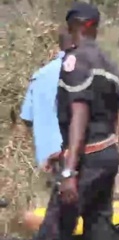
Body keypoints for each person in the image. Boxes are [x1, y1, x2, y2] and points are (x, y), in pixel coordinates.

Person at [1, 2, 119, 240]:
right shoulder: (111, 66)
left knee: (53, 234)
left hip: (86, 161)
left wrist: (70, 169)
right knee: (101, 237)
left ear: (76, 26)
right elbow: (110, 122)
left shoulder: (75, 62)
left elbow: (79, 115)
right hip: (106, 157)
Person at [20, 28, 72, 169]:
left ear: (59, 46)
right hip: (76, 154)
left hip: (47, 159)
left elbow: (27, 117)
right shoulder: (85, 73)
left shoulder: (39, 75)